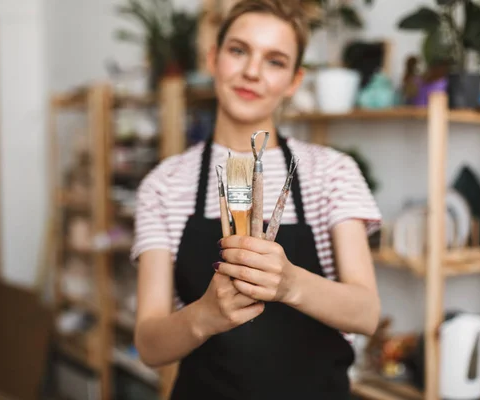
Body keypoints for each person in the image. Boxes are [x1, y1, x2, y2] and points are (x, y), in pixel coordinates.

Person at [131, 1, 382, 398]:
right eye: (238, 50)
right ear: (213, 58)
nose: (252, 72)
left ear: (295, 81)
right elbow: (148, 344)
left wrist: (289, 284)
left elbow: (367, 314)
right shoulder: (163, 185)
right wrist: (204, 316)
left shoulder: (331, 172)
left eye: (275, 61)